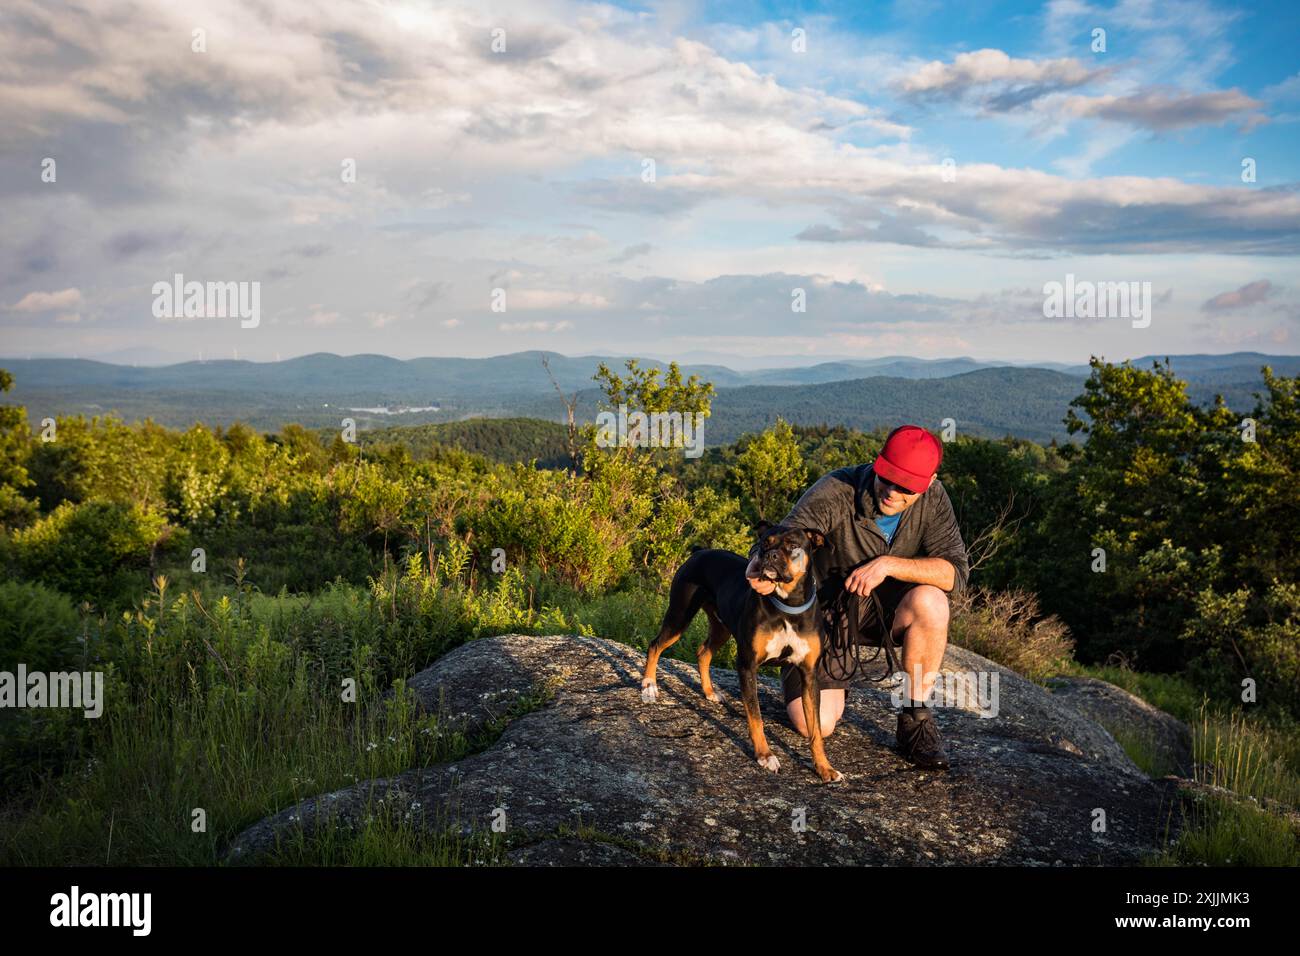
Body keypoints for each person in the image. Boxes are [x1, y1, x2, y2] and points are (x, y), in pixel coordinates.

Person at [744, 424, 969, 770]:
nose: (892, 492)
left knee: (932, 602)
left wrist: (889, 565)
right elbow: (782, 535)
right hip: (826, 618)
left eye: (906, 487)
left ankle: (915, 720)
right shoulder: (837, 489)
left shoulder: (934, 499)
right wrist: (758, 567)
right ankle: (826, 678)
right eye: (887, 477)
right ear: (877, 462)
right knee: (814, 725)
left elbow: (955, 573)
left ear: (929, 482)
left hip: (887, 613)